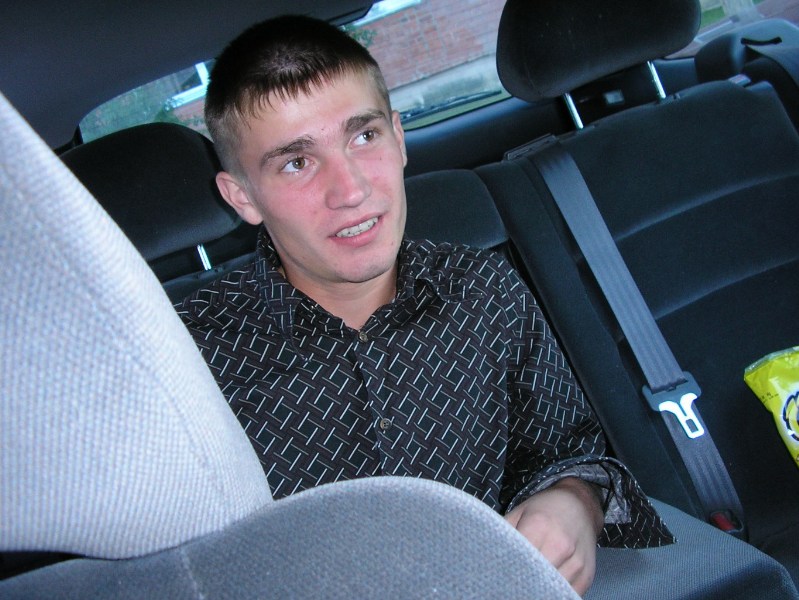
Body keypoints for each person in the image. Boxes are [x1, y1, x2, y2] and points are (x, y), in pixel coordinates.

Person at [175, 14, 673, 595]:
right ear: (242, 197)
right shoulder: (188, 367)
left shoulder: (484, 291)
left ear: (399, 138)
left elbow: (568, 449)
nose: (352, 190)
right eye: (296, 163)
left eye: (364, 137)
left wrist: (574, 501)